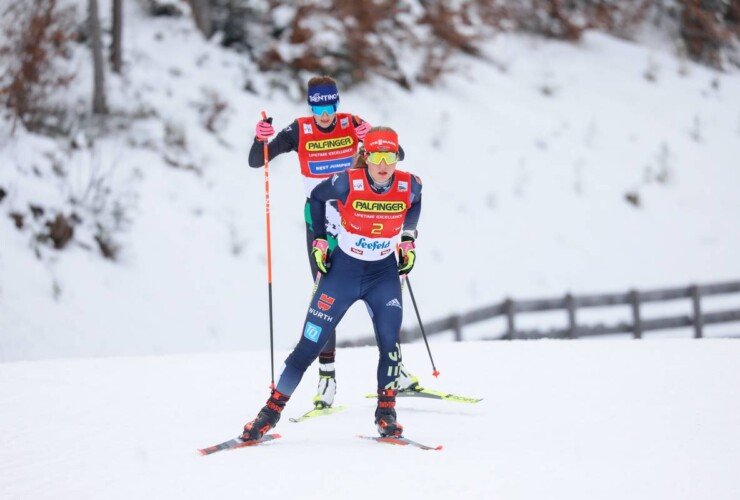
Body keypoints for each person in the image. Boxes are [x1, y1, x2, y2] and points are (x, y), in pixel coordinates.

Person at [248, 76, 420, 410]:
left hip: (366, 219)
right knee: (324, 298)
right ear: (309, 105)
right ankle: (327, 377)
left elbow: (392, 155)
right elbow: (258, 160)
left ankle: (394, 369)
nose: (324, 114)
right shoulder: (299, 131)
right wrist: (260, 138)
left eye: (329, 105)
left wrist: (369, 133)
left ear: (337, 103)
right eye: (317, 106)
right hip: (324, 226)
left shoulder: (351, 124)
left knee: (386, 293)